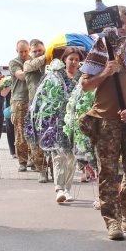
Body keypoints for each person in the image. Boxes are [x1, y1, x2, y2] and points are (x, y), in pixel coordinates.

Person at [79, 6, 126, 241]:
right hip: (105, 119)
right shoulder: (100, 50)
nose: (124, 27)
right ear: (111, 22)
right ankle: (112, 221)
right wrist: (106, 72)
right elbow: (86, 84)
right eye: (120, 22)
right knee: (108, 172)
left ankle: (125, 207)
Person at [31, 46, 85, 203]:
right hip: (58, 123)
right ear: (64, 60)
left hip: (75, 124)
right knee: (59, 156)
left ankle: (67, 189)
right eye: (71, 59)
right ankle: (59, 188)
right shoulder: (55, 77)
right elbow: (44, 98)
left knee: (72, 158)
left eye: (76, 59)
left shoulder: (83, 78)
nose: (73, 62)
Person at [23, 40, 49, 181]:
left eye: (41, 50)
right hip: (35, 108)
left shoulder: (51, 64)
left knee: (50, 140)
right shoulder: (28, 64)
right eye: (35, 51)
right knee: (35, 142)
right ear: (30, 52)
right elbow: (33, 65)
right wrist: (45, 56)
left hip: (50, 108)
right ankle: (42, 171)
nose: (38, 53)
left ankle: (52, 170)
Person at [8, 40, 31, 168]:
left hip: (33, 99)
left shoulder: (34, 60)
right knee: (20, 132)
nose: (23, 54)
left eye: (26, 51)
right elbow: (20, 75)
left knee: (33, 131)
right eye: (21, 51)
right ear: (17, 51)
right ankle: (22, 161)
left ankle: (34, 159)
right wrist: (33, 67)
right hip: (19, 100)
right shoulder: (14, 63)